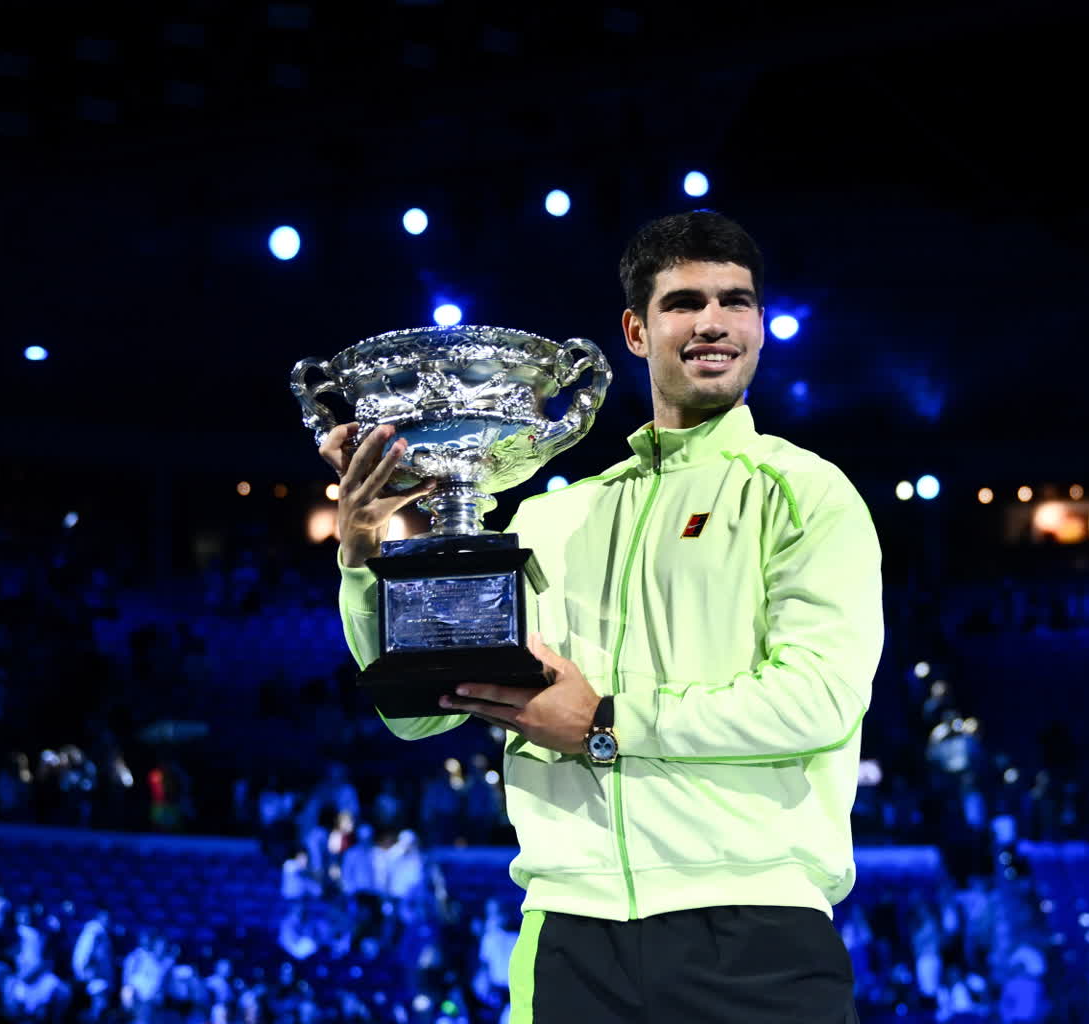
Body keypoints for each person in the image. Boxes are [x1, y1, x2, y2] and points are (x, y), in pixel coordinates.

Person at [322, 211, 883, 1022]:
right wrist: (364, 551)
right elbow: (420, 717)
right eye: (684, 301)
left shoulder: (804, 492)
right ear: (635, 329)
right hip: (567, 935)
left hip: (754, 927)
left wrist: (604, 722)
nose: (714, 322)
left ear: (760, 325)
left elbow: (818, 699)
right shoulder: (552, 520)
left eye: (737, 300)